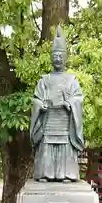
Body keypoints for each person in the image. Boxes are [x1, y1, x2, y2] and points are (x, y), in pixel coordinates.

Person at [30, 25, 85, 182]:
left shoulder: (72, 80)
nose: (58, 59)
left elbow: (78, 98)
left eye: (61, 56)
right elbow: (35, 99)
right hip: (48, 121)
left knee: (64, 147)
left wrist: (71, 103)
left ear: (66, 57)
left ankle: (67, 174)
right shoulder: (44, 80)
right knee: (47, 146)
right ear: (51, 58)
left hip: (65, 121)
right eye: (55, 56)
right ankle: (44, 174)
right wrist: (41, 105)